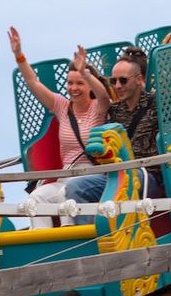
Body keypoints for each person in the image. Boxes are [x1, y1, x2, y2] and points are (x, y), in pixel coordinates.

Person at [8, 26, 112, 228]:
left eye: (79, 83)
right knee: (35, 198)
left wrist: (86, 73)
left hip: (91, 174)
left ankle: (69, 236)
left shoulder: (97, 109)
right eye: (70, 83)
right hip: (66, 174)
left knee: (68, 197)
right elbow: (33, 83)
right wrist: (19, 55)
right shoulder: (62, 106)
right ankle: (42, 241)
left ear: (89, 85)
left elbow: (104, 96)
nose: (73, 88)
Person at [64, 48, 161, 223]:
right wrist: (84, 74)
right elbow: (102, 95)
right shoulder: (114, 110)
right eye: (113, 81)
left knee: (125, 182)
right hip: (117, 172)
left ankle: (113, 231)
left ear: (139, 80)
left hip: (147, 173)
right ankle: (93, 239)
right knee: (75, 186)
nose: (117, 86)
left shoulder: (157, 105)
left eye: (123, 81)